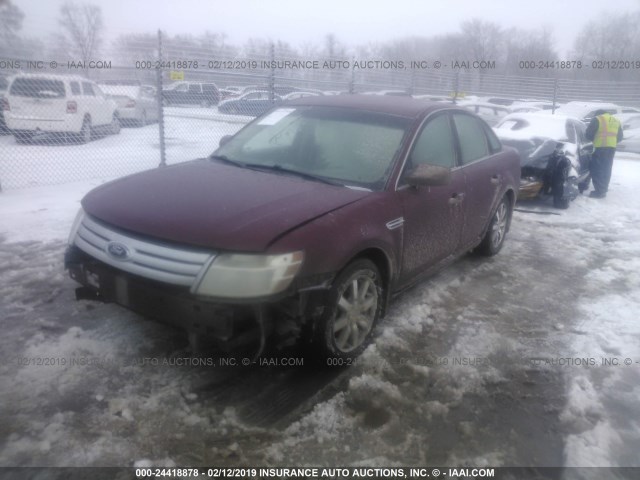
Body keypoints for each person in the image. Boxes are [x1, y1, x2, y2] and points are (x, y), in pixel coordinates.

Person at [584, 109, 623, 199]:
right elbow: (620, 137)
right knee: (606, 169)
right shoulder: (616, 120)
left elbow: (588, 134)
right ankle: (603, 189)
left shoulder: (597, 119)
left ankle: (599, 192)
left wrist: (594, 140)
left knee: (597, 169)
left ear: (597, 114)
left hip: (600, 148)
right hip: (611, 148)